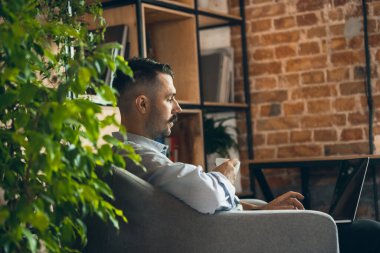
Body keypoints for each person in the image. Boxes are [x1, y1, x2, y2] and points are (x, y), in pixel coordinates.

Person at [112, 57, 380, 253]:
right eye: (170, 98)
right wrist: (225, 177)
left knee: (363, 229)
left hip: (222, 232)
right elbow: (205, 196)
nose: (178, 108)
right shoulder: (135, 154)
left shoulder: (135, 154)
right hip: (224, 241)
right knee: (367, 233)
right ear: (143, 104)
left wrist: (262, 209)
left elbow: (186, 207)